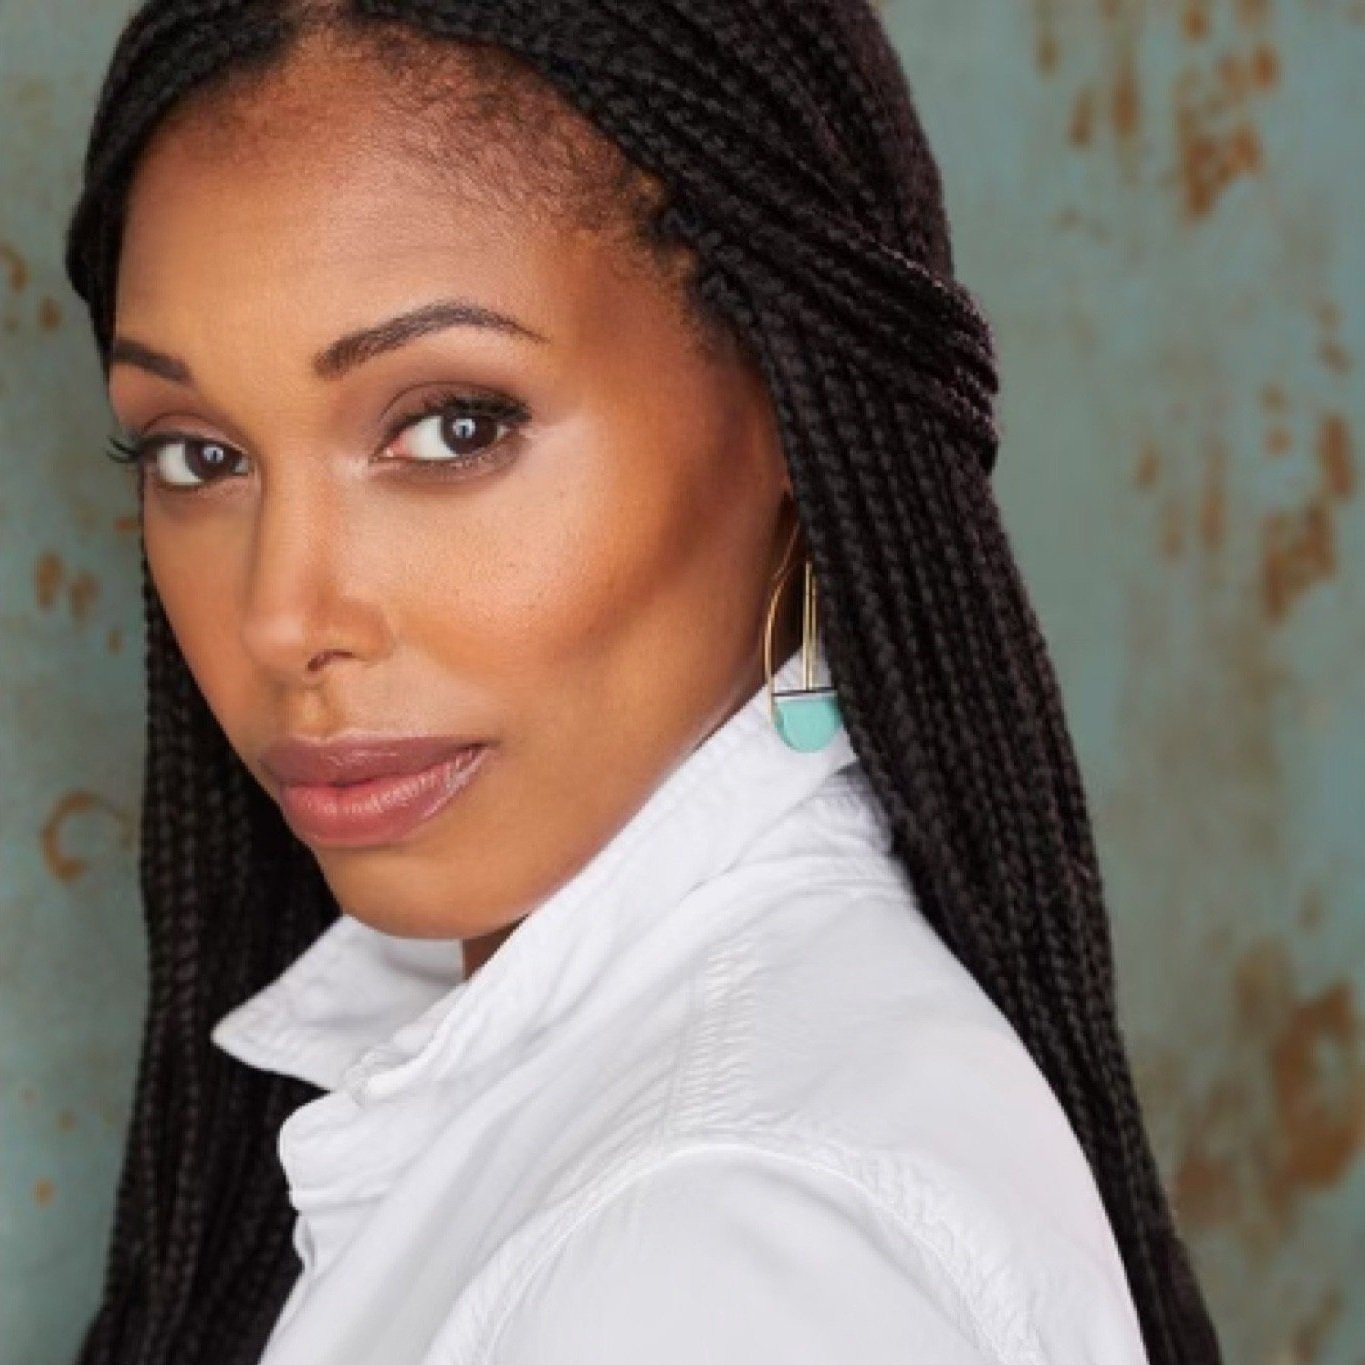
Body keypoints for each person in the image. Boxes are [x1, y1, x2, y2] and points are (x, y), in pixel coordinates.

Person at [61, 2, 1224, 1363]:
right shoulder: (612, 1103)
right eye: (196, 455)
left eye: (452, 426)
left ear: (792, 411)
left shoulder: (720, 1252)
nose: (281, 617)